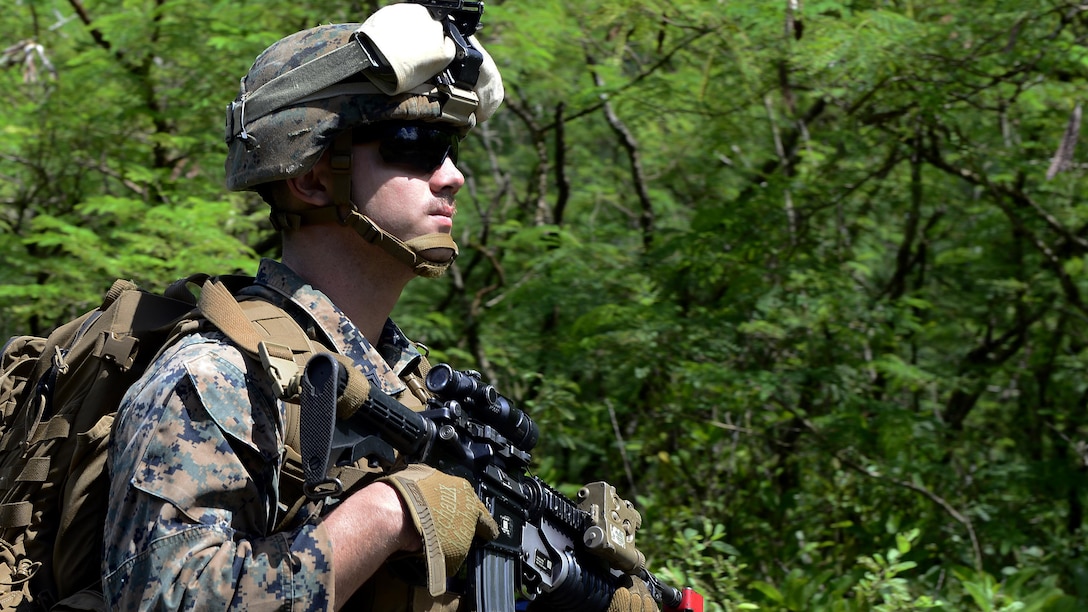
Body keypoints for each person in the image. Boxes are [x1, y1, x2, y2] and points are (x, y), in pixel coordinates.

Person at [102, 3, 660, 610]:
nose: (452, 177)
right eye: (415, 145)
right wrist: (387, 514)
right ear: (312, 178)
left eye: (451, 149)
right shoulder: (217, 377)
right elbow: (163, 598)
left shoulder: (410, 390)